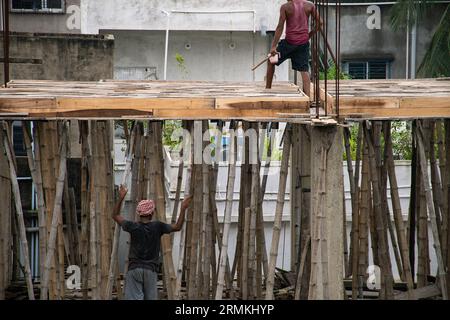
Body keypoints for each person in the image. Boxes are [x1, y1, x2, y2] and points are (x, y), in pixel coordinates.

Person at [112, 185, 192, 300]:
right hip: (151, 270)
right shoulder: (158, 226)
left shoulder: (132, 226)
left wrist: (121, 197)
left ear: (139, 214)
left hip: (134, 269)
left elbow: (115, 215)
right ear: (152, 213)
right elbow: (178, 227)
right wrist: (183, 208)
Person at [266, 0, 323, 96]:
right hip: (303, 44)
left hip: (289, 43)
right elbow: (320, 23)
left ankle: (267, 89)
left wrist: (273, 47)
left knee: (271, 60)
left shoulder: (285, 7)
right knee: (304, 70)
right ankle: (307, 98)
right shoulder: (310, 5)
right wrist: (309, 35)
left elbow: (280, 26)